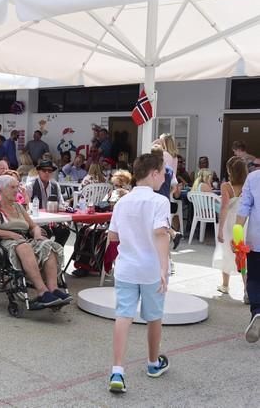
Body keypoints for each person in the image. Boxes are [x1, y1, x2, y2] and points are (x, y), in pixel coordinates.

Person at [107, 153, 171, 394]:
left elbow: (113, 236)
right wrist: (164, 268)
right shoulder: (159, 201)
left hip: (126, 266)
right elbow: (160, 233)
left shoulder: (123, 201)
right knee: (154, 316)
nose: (164, 178)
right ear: (153, 173)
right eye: (163, 172)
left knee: (123, 315)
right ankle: (153, 363)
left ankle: (117, 370)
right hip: (151, 268)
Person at [0, 175, 71, 308]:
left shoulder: (19, 207)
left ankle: (53, 289)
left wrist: (37, 235)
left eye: (17, 187)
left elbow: (34, 226)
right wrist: (10, 234)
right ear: (0, 190)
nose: (16, 190)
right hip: (6, 242)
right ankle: (42, 292)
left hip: (24, 239)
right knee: (24, 246)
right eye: (12, 187)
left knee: (48, 245)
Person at [213, 156, 248, 301]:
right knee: (243, 254)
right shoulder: (248, 184)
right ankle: (247, 289)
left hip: (230, 223)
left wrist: (220, 228)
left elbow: (224, 208)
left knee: (227, 252)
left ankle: (225, 285)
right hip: (245, 221)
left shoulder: (226, 186)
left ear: (230, 171)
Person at [236, 167, 260, 343]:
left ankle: (257, 312)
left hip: (255, 239)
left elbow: (243, 207)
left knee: (254, 279)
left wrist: (237, 236)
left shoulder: (253, 177)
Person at [25, 160, 70, 246]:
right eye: (44, 170)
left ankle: (56, 252)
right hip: (37, 221)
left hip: (53, 220)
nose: (47, 173)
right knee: (46, 232)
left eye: (49, 171)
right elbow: (27, 207)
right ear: (38, 171)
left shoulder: (55, 185)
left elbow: (61, 203)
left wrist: (63, 219)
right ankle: (46, 254)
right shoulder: (30, 185)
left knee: (65, 231)